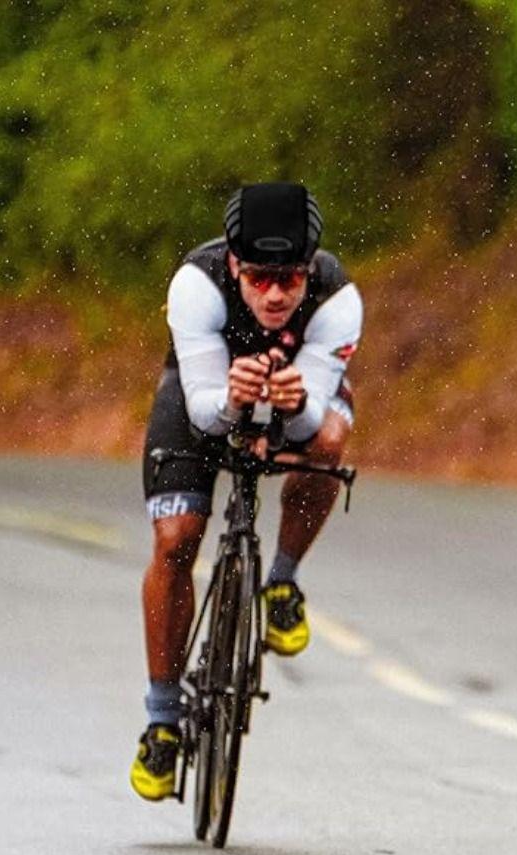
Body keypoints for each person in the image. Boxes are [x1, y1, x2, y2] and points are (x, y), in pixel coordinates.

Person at [130, 182, 363, 800]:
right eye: (260, 278)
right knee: (177, 537)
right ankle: (161, 719)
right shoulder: (197, 284)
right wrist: (236, 399)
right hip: (205, 392)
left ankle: (282, 579)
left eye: (289, 278)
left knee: (330, 440)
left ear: (309, 268)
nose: (276, 294)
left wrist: (295, 406)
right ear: (234, 265)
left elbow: (310, 424)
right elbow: (205, 415)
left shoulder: (337, 298)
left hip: (297, 393)